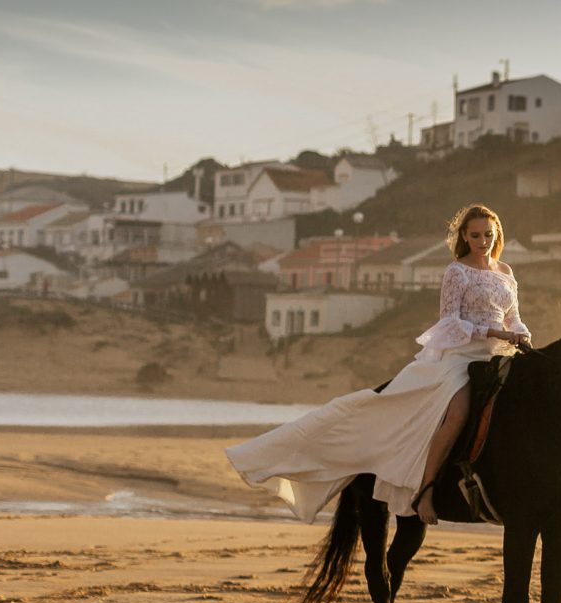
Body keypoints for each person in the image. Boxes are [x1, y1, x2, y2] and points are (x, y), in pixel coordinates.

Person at [226, 204, 531, 527]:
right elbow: (449, 322)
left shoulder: (506, 272)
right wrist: (492, 331)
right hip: (461, 356)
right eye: (475, 235)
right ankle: (426, 490)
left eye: (488, 234)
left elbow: (515, 317)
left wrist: (521, 335)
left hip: (499, 356)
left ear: (497, 233)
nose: (483, 241)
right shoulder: (457, 271)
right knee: (456, 415)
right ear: (464, 237)